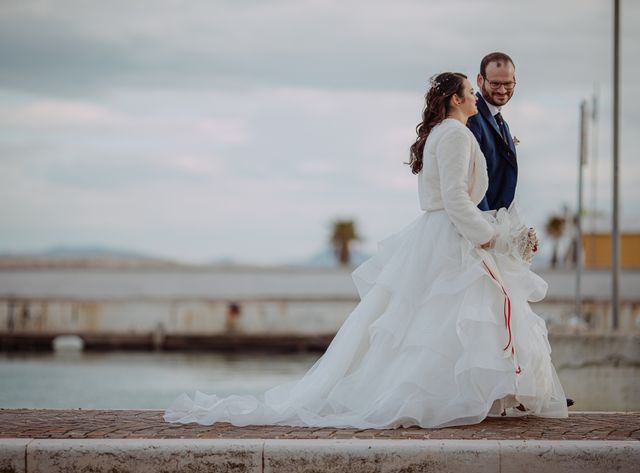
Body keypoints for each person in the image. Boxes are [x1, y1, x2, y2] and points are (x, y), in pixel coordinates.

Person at [164, 72, 568, 429]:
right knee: (452, 318)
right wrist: (492, 237)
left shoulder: (443, 134)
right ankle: (442, 396)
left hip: (441, 235)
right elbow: (456, 198)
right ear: (456, 99)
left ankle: (464, 395)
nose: (478, 97)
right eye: (470, 91)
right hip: (452, 237)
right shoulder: (456, 135)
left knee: (439, 321)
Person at [467, 52, 518, 211]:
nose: (502, 90)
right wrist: (485, 224)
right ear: (480, 80)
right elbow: (471, 179)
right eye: (495, 83)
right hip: (482, 222)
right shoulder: (472, 117)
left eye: (508, 83)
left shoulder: (502, 122)